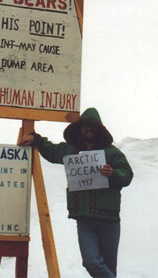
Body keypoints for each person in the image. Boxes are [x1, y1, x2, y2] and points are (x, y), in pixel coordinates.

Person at [18, 107, 133, 277]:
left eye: (93, 126)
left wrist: (113, 173)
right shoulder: (70, 151)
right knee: (91, 263)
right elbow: (51, 150)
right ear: (79, 129)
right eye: (86, 126)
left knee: (108, 267)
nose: (89, 129)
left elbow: (127, 175)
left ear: (99, 130)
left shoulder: (112, 153)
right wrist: (36, 138)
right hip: (84, 219)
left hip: (109, 220)